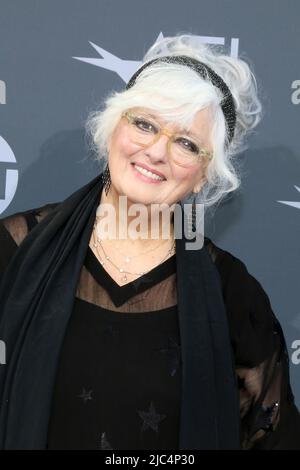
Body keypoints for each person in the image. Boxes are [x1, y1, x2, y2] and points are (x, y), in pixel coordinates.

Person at [0, 34, 299, 450]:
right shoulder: (13, 250)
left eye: (187, 144)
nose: (157, 151)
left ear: (205, 176)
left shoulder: (233, 295)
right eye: (144, 124)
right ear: (112, 129)